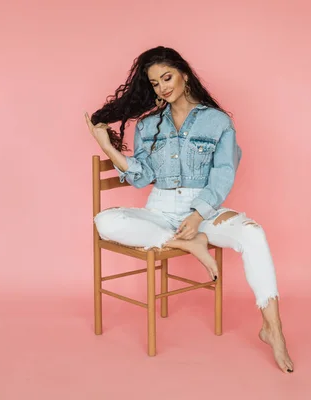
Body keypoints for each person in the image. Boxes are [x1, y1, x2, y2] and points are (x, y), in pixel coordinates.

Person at [84, 46, 294, 373]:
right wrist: (108, 147)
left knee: (254, 233)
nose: (163, 87)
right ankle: (182, 242)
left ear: (184, 72)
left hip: (205, 211)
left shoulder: (217, 121)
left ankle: (274, 329)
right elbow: (144, 178)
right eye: (154, 83)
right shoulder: (149, 125)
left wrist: (197, 216)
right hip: (161, 211)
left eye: (166, 77)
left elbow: (224, 172)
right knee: (104, 221)